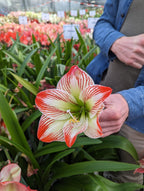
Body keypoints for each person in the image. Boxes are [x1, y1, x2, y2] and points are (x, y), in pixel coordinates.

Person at [86, 0, 144, 187]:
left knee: (125, 179)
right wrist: (115, 42)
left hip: (138, 121)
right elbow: (103, 23)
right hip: (99, 94)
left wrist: (130, 102)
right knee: (97, 166)